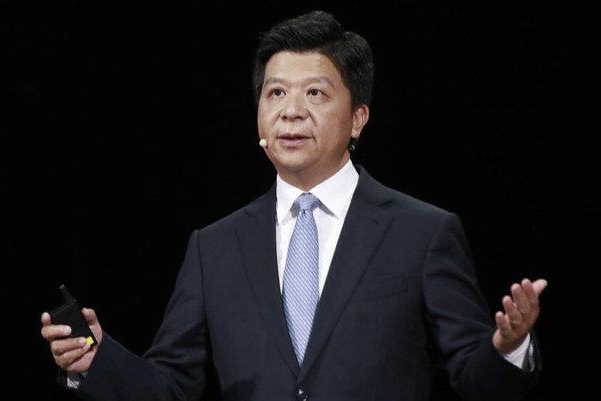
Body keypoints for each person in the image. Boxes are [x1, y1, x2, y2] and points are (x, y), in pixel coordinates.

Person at [41, 10, 547, 401]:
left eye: (315, 93)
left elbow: (476, 381)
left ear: (358, 118)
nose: (291, 111)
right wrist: (96, 360)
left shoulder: (424, 233)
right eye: (276, 92)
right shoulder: (214, 248)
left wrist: (508, 348)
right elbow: (170, 387)